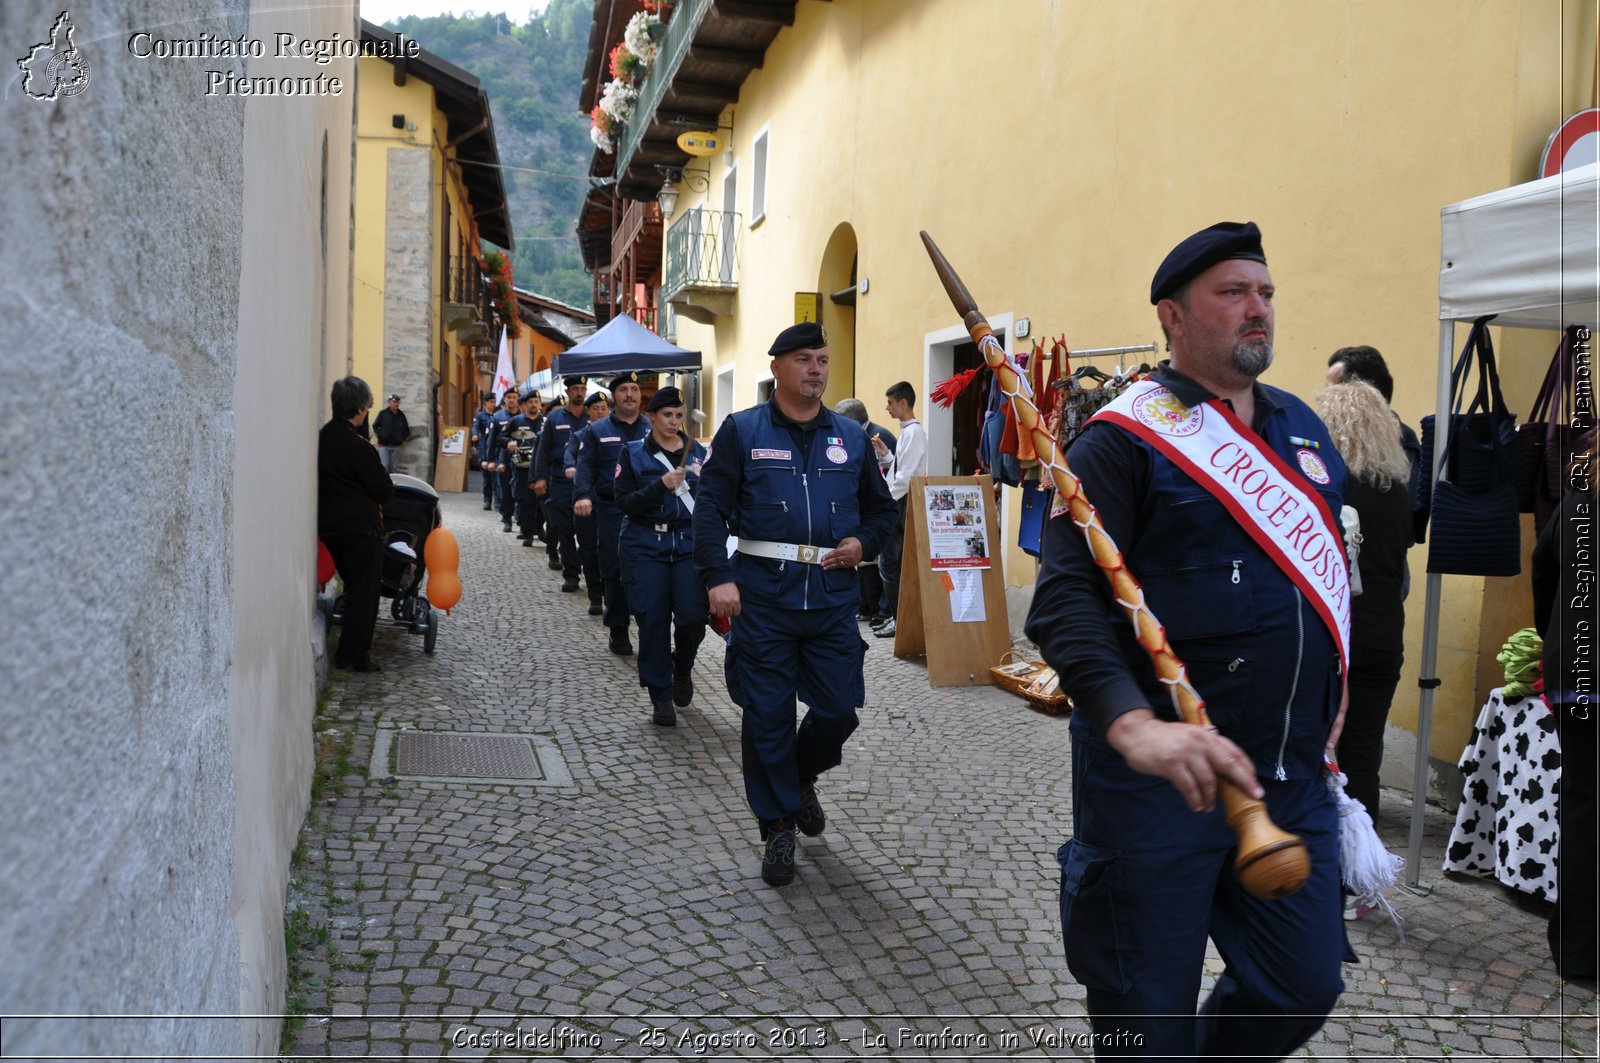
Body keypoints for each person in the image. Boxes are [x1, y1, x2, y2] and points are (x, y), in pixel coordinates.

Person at [1025, 221, 1350, 1058]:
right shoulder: (1120, 442)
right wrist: (1132, 725)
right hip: (1154, 791)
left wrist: (1335, 700)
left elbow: (1333, 587)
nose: (1258, 310)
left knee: (1300, 986)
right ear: (1172, 316)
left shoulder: (1306, 435)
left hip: (1287, 776)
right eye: (1233, 293)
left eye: (1266, 293)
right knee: (1144, 1016)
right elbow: (1065, 603)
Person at [694, 321, 897, 887]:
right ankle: (778, 824)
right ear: (778, 366)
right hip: (763, 598)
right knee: (768, 717)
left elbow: (882, 513)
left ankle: (799, 778)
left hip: (832, 599)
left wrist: (864, 544)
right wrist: (717, 576)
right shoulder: (741, 431)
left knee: (838, 709)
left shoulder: (852, 438)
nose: (816, 369)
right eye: (805, 359)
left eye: (824, 360)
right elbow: (709, 510)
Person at [1315, 375, 1415, 921]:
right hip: (1384, 632)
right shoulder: (1396, 488)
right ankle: (1367, 881)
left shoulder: (1328, 484)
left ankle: (1325, 880)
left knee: (1323, 754)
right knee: (1365, 754)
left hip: (1339, 633)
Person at [1532, 443, 1597, 982]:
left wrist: (1556, 640)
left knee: (1582, 805)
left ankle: (1577, 950)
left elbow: (1543, 577)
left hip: (1575, 673)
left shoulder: (1577, 507)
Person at [615, 387, 710, 726]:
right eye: (667, 415)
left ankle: (682, 667)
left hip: (687, 545)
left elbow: (712, 501)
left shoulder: (698, 453)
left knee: (693, 618)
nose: (673, 421)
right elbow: (623, 501)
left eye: (678, 415)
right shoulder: (633, 453)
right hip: (644, 545)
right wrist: (660, 486)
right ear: (651, 417)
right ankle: (661, 694)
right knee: (652, 620)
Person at [318, 375, 394, 673]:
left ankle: (347, 650)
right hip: (360, 530)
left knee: (352, 588)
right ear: (361, 409)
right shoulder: (359, 446)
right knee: (365, 593)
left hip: (328, 527)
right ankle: (354, 655)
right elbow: (382, 489)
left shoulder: (324, 438)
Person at [576, 373, 652, 653]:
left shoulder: (653, 428)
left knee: (648, 570)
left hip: (648, 510)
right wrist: (582, 495)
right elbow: (585, 466)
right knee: (614, 569)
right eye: (624, 389)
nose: (630, 394)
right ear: (614, 396)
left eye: (634, 389)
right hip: (611, 509)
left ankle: (649, 629)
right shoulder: (596, 431)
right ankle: (618, 627)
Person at [1326, 346, 1423, 541]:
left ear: (1362, 393)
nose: (1326, 394)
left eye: (1334, 386)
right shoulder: (1329, 439)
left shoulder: (1401, 442)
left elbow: (1409, 523)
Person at [871, 381, 929, 639]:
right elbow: (901, 468)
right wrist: (885, 456)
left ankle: (899, 618)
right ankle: (897, 617)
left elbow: (905, 478)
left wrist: (885, 502)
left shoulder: (914, 432)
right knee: (891, 563)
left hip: (903, 501)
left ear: (902, 403)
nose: (888, 408)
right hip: (900, 499)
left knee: (891, 564)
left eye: (890, 403)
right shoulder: (908, 432)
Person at [834, 398, 895, 623]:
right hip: (863, 508)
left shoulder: (879, 436)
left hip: (883, 509)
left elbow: (890, 473)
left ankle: (883, 611)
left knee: (885, 564)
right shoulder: (856, 434)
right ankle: (868, 607)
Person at [533, 377, 589, 586]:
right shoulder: (555, 418)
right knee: (563, 526)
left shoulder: (591, 417)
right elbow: (543, 450)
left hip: (585, 478)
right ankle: (571, 575)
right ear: (567, 391)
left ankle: (587, 567)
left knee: (585, 528)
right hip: (559, 478)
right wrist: (540, 477)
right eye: (575, 388)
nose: (579, 392)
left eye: (583, 388)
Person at [566, 391, 611, 618]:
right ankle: (595, 595)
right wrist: (569, 468)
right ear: (588, 412)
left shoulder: (618, 432)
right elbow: (571, 455)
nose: (601, 412)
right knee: (589, 549)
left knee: (612, 551)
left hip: (610, 503)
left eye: (604, 408)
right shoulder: (580, 435)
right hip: (586, 501)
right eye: (596, 408)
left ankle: (613, 596)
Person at [508, 386, 545, 548]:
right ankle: (528, 533)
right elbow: (501, 437)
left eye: (536, 401)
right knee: (526, 501)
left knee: (542, 502)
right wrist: (507, 442)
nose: (533, 404)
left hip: (541, 466)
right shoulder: (516, 421)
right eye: (530, 402)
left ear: (540, 404)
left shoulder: (546, 421)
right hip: (523, 467)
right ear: (525, 405)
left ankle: (539, 528)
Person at [488, 389, 522, 533]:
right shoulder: (497, 417)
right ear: (505, 399)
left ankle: (521, 519)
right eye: (509, 397)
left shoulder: (523, 416)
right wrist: (489, 460)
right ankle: (507, 519)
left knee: (521, 490)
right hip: (503, 458)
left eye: (514, 397)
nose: (512, 400)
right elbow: (491, 440)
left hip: (522, 458)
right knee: (506, 490)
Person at [372, 393, 410, 473]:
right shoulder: (383, 414)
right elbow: (375, 426)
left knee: (394, 468)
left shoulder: (401, 415)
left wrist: (401, 439)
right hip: (383, 446)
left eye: (397, 402)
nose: (396, 404)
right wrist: (380, 435)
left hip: (396, 446)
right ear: (389, 402)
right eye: (394, 402)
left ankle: (393, 485)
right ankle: (384, 484)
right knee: (384, 466)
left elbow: (407, 430)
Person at [472, 393, 497, 510]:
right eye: (491, 402)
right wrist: (475, 435)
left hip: (496, 447)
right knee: (487, 476)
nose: (493, 404)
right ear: (485, 403)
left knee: (497, 477)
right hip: (484, 447)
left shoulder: (498, 415)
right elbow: (475, 426)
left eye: (494, 401)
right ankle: (487, 500)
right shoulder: (481, 416)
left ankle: (498, 500)